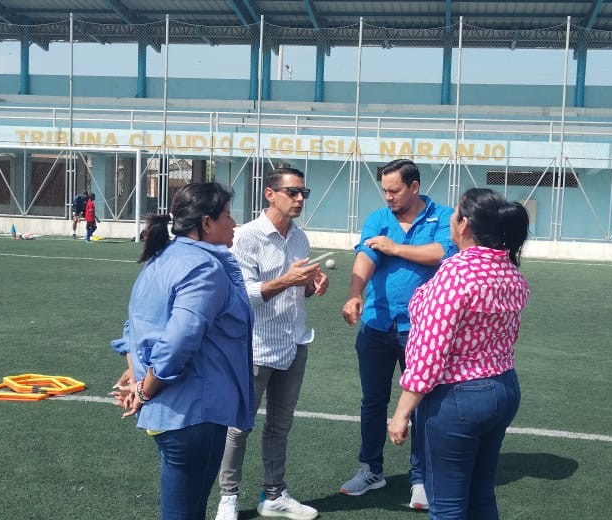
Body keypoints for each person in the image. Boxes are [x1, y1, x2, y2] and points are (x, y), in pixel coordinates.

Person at [108, 183, 256, 520]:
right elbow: (179, 340)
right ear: (207, 222)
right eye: (228, 215)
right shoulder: (205, 268)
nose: (234, 223)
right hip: (193, 413)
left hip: (175, 412)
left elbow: (134, 327)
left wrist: (138, 375)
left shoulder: (162, 258)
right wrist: (144, 389)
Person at [388, 187, 529, 520]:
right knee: (481, 496)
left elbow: (430, 350)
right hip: (503, 387)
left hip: (459, 397)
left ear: (464, 225)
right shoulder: (509, 270)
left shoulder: (456, 273)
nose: (450, 220)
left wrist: (402, 412)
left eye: (454, 214)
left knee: (447, 506)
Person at [339, 159, 457, 510]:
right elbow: (366, 255)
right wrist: (355, 293)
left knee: (422, 406)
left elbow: (442, 253)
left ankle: (420, 479)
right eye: (384, 191)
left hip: (422, 329)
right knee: (373, 402)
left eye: (395, 190)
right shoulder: (378, 218)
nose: (388, 197)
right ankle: (370, 470)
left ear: (414, 187)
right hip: (376, 324)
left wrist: (395, 248)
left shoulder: (443, 216)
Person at [216, 167, 328, 520]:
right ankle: (228, 497)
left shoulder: (299, 238)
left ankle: (274, 494)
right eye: (292, 192)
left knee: (281, 426)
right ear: (270, 194)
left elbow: (297, 291)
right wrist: (289, 280)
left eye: (303, 193)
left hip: (293, 341)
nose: (299, 199)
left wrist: (310, 286)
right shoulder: (246, 237)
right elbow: (243, 294)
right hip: (254, 346)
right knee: (239, 426)